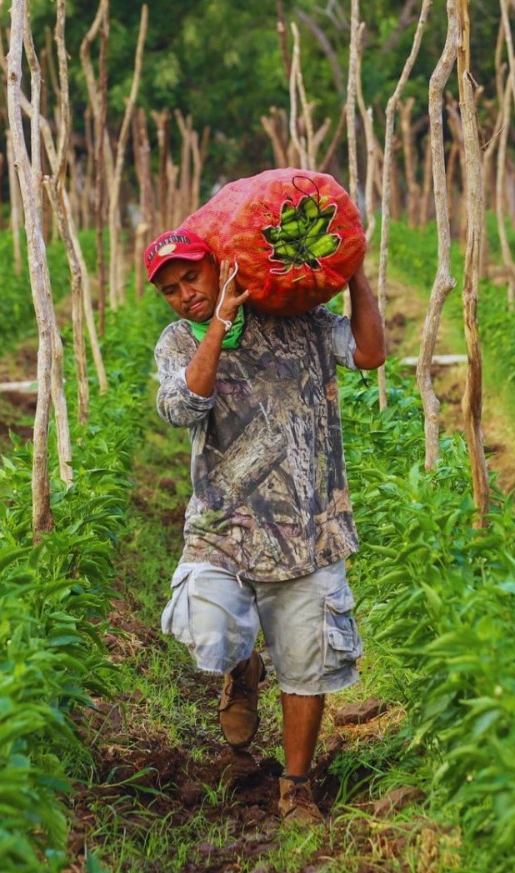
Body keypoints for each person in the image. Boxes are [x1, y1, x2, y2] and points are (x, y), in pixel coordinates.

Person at [147, 226, 386, 825]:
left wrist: (351, 272)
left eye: (191, 278)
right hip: (220, 529)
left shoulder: (299, 318)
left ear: (220, 265)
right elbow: (183, 406)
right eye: (170, 289)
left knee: (308, 661)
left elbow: (369, 354)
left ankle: (296, 785)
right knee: (206, 624)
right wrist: (219, 326)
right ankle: (241, 668)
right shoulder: (180, 340)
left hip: (308, 524)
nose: (184, 295)